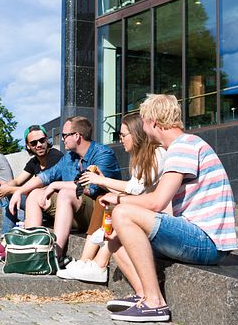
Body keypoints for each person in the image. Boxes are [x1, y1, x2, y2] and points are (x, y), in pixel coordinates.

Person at [99, 94, 237, 323]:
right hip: (196, 235)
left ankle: (155, 303)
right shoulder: (183, 145)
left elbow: (156, 202)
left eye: (143, 121)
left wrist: (118, 201)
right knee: (114, 238)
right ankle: (144, 295)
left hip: (207, 240)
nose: (143, 128)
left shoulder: (184, 146)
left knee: (121, 214)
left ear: (153, 122)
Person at [56, 112, 168, 283]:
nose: (120, 139)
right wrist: (102, 181)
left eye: (123, 135)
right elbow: (134, 190)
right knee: (105, 197)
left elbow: (136, 189)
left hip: (158, 216)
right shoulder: (141, 158)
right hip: (146, 209)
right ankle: (86, 262)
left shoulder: (157, 153)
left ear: (136, 134)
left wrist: (101, 180)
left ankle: (98, 265)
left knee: (114, 206)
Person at [8, 116, 121, 264]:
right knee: (35, 194)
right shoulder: (70, 158)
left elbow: (90, 188)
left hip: (99, 213)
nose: (62, 139)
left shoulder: (103, 154)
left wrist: (56, 185)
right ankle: (33, 251)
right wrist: (19, 191)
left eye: (64, 135)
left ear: (77, 136)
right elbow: (46, 176)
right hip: (75, 211)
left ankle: (55, 256)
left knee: (66, 192)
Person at [0, 125, 63, 260]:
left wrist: (9, 190)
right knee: (7, 194)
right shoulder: (34, 161)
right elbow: (18, 181)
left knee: (15, 193)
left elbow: (41, 188)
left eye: (42, 140)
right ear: (28, 146)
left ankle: (7, 245)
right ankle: (5, 242)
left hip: (55, 206)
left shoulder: (55, 156)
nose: (39, 145)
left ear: (47, 140)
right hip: (39, 204)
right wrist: (4, 187)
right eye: (34, 143)